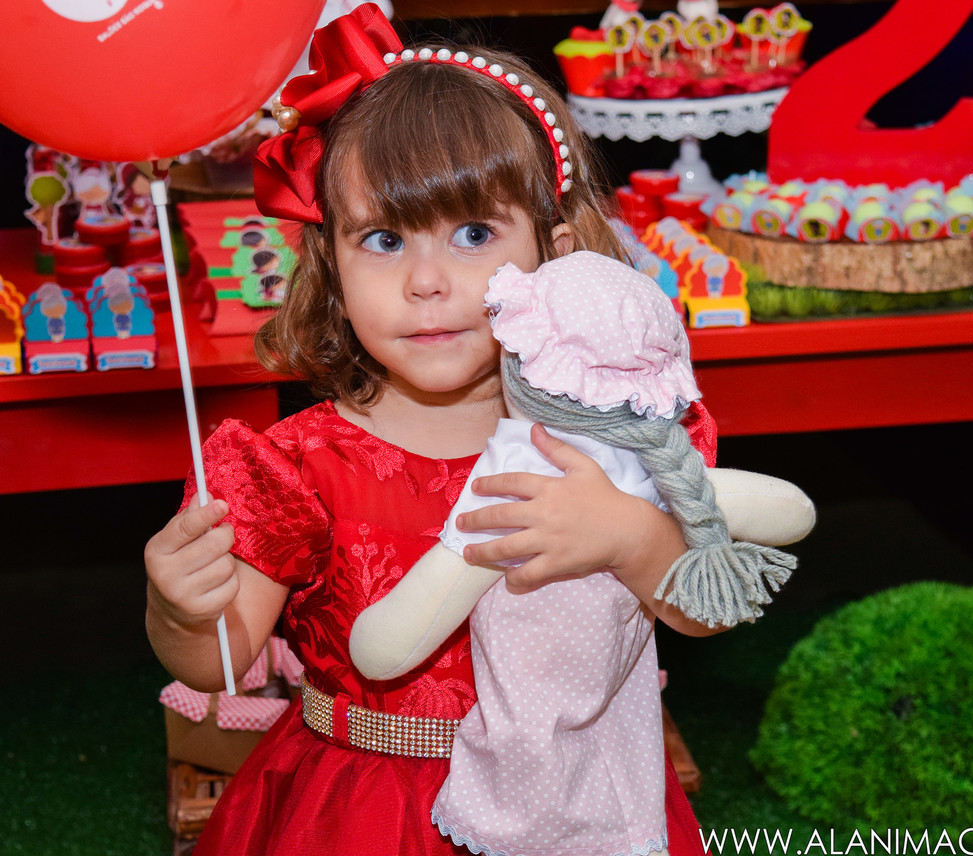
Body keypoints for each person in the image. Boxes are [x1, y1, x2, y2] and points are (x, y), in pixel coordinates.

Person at [145, 6, 724, 854]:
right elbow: (218, 666)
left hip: (577, 799)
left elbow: (705, 613)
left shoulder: (617, 435)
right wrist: (179, 612)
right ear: (333, 271)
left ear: (555, 255)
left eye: (475, 234)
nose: (426, 280)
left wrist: (630, 537)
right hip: (359, 812)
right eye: (383, 238)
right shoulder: (295, 465)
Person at [349, 251, 813, 856]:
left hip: (597, 741)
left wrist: (632, 533)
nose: (428, 280)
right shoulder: (535, 470)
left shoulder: (611, 472)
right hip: (542, 754)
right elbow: (790, 509)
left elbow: (387, 645)